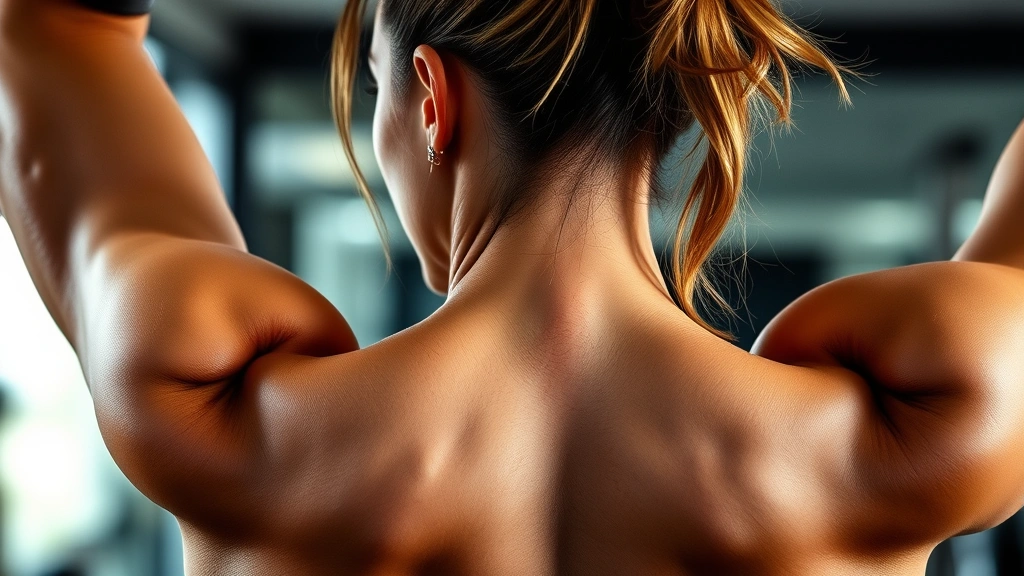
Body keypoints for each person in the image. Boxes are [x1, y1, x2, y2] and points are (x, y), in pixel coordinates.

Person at [0, 0, 1022, 573]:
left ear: (432, 102)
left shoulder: (226, 418)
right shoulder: (904, 438)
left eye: (378, 94)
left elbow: (53, 27)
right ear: (681, 104)